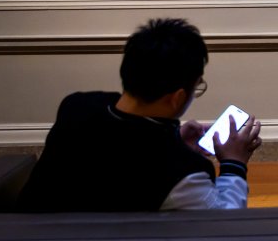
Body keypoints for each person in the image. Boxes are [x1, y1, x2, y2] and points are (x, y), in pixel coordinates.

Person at [18, 18, 262, 212]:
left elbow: (119, 148)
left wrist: (174, 139)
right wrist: (233, 164)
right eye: (197, 86)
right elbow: (223, 222)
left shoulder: (76, 105)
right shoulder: (183, 173)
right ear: (177, 97)